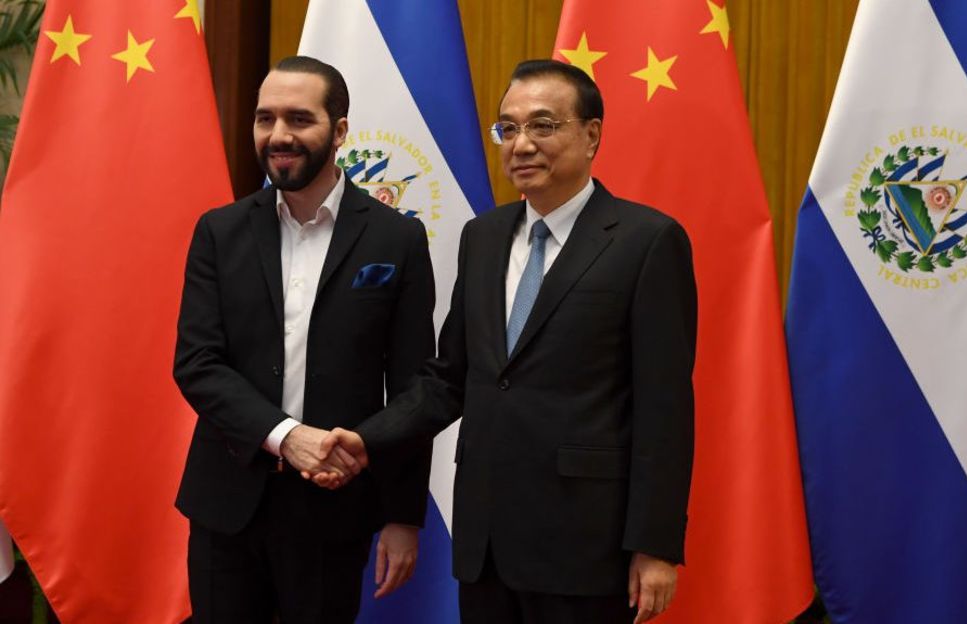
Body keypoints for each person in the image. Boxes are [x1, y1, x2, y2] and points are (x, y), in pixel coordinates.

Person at [320, 59, 697, 624]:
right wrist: (365, 439)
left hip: (587, 544)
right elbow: (449, 379)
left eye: (543, 126)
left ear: (592, 134)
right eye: (508, 128)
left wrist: (656, 545)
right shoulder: (484, 236)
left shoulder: (648, 241)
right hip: (488, 540)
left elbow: (664, 409)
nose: (521, 144)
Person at [172, 55, 435, 624]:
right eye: (265, 119)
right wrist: (286, 437)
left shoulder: (398, 239)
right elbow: (198, 363)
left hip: (335, 512)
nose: (278, 135)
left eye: (299, 118)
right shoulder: (219, 231)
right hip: (227, 504)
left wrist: (402, 516)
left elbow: (415, 388)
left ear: (339, 130)